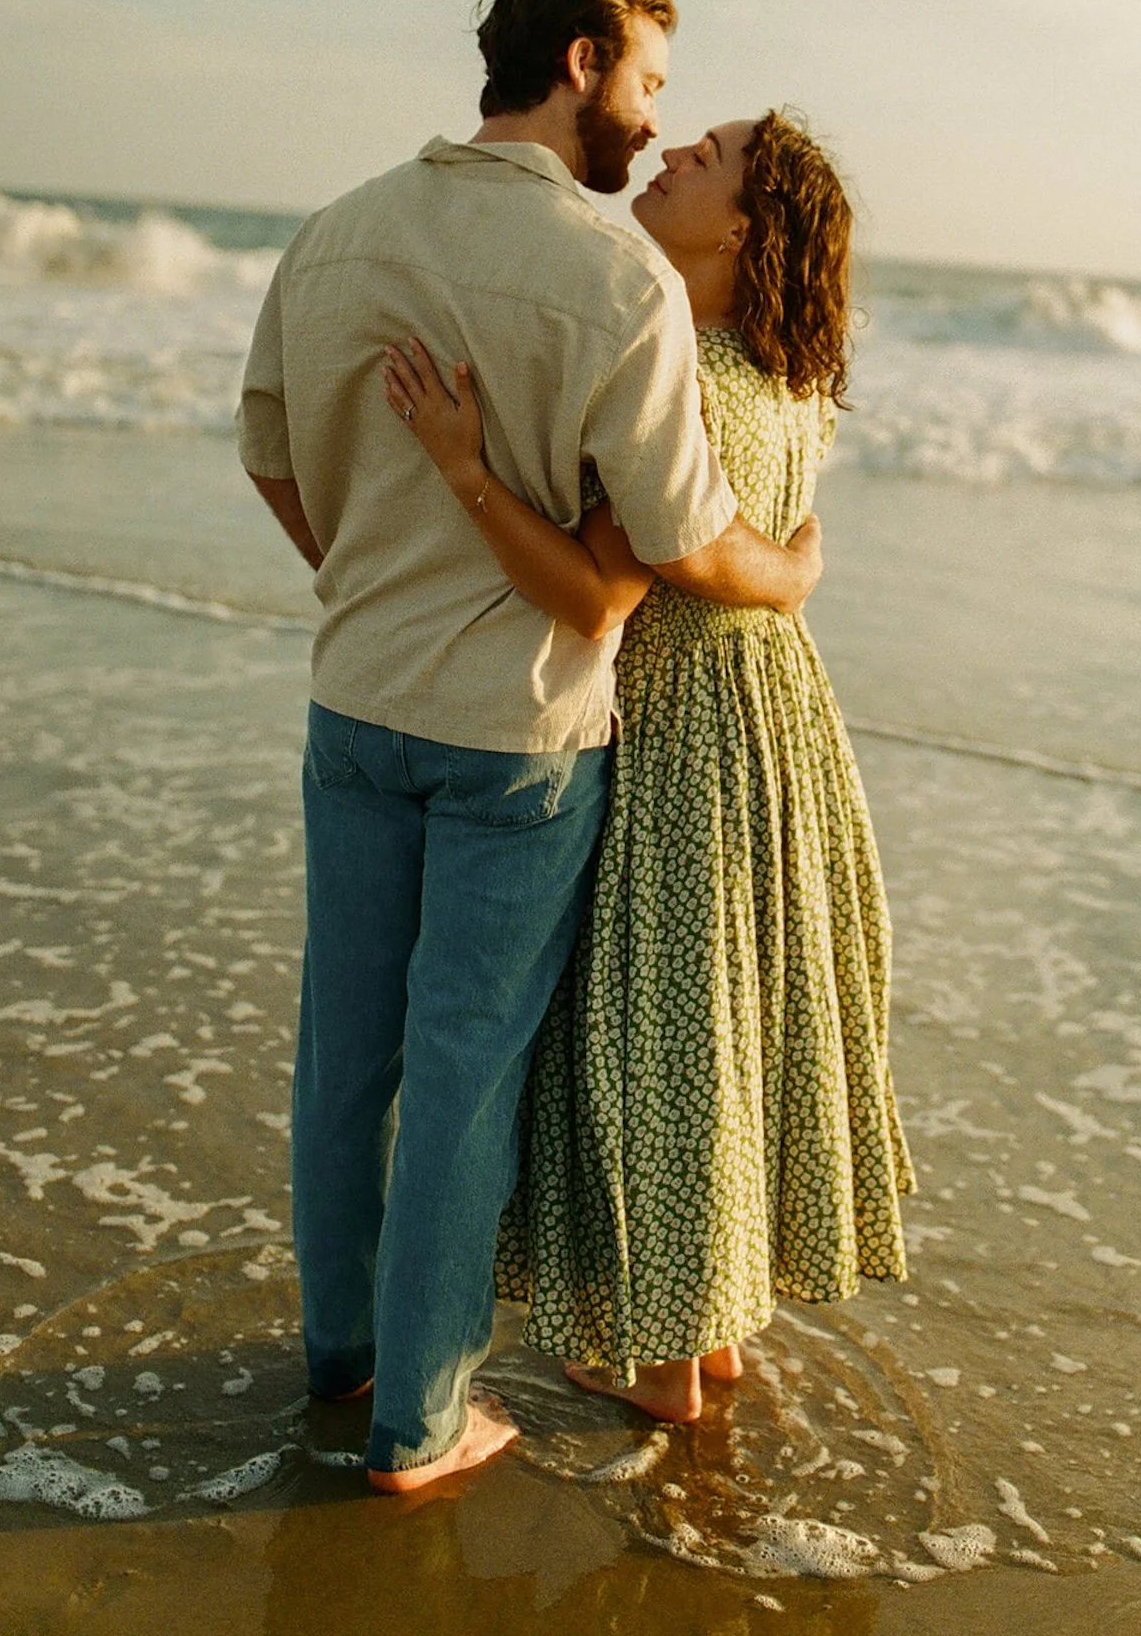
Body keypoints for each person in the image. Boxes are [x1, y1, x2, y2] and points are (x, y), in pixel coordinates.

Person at [235, 0, 823, 1492]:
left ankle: (339, 1357)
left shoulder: (339, 227)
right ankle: (421, 1427)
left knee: (343, 1056)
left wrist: (368, 580)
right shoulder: (614, 278)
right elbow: (677, 539)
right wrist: (798, 565)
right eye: (646, 86)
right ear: (580, 63)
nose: (651, 121)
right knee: (466, 1075)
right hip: (520, 735)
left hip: (355, 701)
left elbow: (272, 456)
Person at [381, 108, 915, 1428]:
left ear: (742, 226)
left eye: (708, 158)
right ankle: (716, 1332)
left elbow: (599, 596)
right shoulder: (794, 379)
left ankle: (669, 1364)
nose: (672, 154)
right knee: (736, 1016)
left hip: (683, 733)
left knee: (671, 1029)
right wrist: (785, 576)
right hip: (782, 728)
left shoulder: (681, 372)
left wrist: (461, 467)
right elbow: (777, 548)